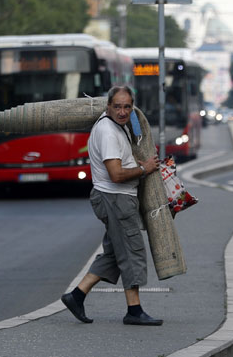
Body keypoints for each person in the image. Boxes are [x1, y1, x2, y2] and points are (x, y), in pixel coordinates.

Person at [61, 85, 162, 326]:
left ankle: (76, 296)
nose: (122, 111)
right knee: (131, 251)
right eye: (117, 106)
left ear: (132, 107)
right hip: (116, 198)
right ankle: (134, 310)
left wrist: (136, 162)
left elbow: (120, 161)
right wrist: (144, 169)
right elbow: (116, 174)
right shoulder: (108, 131)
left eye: (127, 107)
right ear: (108, 106)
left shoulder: (115, 126)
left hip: (114, 198)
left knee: (115, 253)